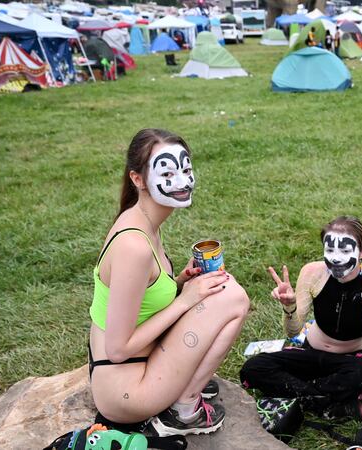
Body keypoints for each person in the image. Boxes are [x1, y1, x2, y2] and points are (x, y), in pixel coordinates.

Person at [88, 129, 250, 436]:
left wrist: (179, 282)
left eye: (186, 169)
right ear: (137, 179)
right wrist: (185, 300)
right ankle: (182, 411)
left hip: (131, 366)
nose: (182, 181)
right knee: (235, 298)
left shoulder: (144, 221)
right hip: (125, 391)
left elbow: (140, 299)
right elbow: (118, 349)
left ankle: (180, 384)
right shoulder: (134, 246)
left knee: (220, 289)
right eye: (168, 171)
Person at [240, 216, 362, 419]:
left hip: (349, 362)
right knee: (255, 367)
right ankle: (328, 401)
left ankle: (301, 395)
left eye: (345, 250)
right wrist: (289, 307)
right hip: (310, 353)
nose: (336, 258)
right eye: (330, 250)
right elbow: (293, 331)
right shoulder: (312, 272)